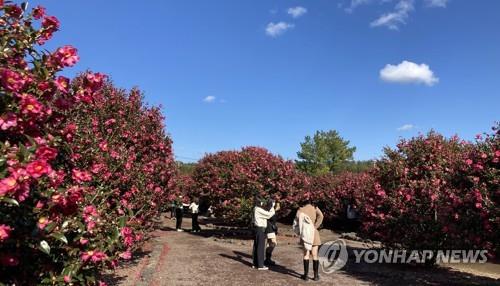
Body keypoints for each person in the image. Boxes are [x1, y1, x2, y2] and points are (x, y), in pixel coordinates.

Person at [293, 200, 324, 281]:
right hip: (314, 233)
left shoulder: (300, 209)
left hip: (305, 234)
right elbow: (321, 216)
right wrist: (315, 226)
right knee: (315, 254)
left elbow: (296, 221)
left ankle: (306, 276)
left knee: (306, 254)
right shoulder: (314, 208)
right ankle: (316, 276)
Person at [252, 195, 275, 270]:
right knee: (260, 247)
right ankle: (260, 265)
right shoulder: (258, 209)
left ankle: (255, 263)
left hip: (257, 229)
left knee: (256, 246)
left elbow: (265, 210)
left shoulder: (255, 208)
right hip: (260, 229)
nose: (262, 203)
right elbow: (268, 215)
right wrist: (272, 207)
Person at [264, 200, 280, 266]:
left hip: (270, 228)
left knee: (269, 243)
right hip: (270, 229)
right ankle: (267, 259)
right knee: (273, 243)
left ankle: (268, 259)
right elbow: (271, 217)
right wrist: (275, 210)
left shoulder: (269, 209)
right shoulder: (270, 210)